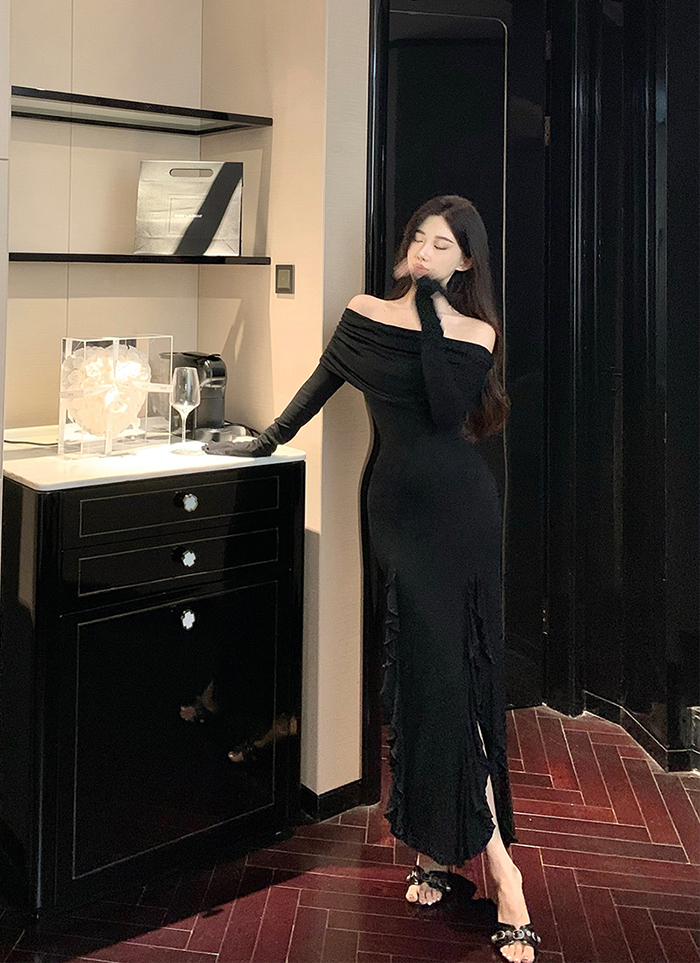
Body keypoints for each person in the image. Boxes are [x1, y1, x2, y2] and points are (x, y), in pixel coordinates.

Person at [204, 195, 541, 962]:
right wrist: (264, 442)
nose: (425, 250)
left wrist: (429, 312)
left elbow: (448, 408)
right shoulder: (363, 313)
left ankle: (500, 868)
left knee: (458, 680)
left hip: (462, 514)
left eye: (443, 244)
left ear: (467, 261)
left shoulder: (476, 333)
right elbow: (322, 383)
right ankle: (435, 846)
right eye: (419, 238)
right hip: (395, 512)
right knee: (422, 679)